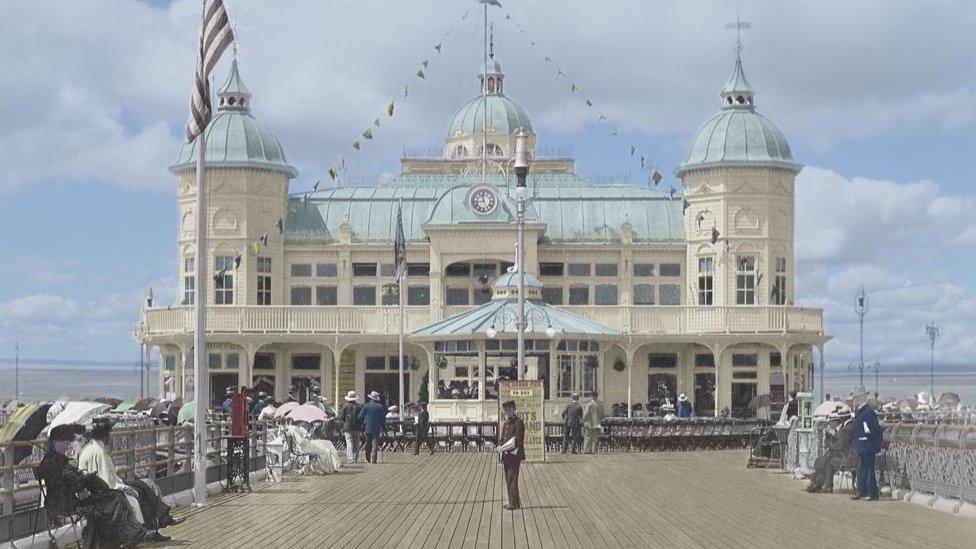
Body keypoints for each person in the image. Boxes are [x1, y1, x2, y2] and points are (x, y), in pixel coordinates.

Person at [37, 424, 146, 548]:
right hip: (63, 503)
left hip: (71, 499)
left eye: (69, 441)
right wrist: (81, 476)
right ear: (56, 441)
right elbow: (66, 480)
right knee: (113, 499)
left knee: (114, 496)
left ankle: (118, 538)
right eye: (66, 441)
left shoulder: (59, 459)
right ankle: (121, 537)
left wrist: (78, 474)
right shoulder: (51, 461)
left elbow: (71, 480)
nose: (69, 445)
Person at [79, 417, 180, 542]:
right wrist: (126, 488)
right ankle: (153, 528)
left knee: (148, 483)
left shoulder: (88, 449)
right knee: (139, 493)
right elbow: (106, 481)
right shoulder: (99, 452)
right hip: (107, 490)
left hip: (109, 485)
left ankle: (163, 518)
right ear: (106, 436)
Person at [806, 411, 857, 493]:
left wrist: (830, 446)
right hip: (847, 455)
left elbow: (840, 445)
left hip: (849, 458)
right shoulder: (848, 427)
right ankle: (818, 484)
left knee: (827, 462)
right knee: (823, 461)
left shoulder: (847, 428)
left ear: (843, 418)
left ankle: (822, 485)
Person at [851, 393, 883, 500]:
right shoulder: (860, 411)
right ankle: (863, 491)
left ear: (859, 399)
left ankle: (871, 493)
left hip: (868, 445)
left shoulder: (869, 412)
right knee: (862, 468)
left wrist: (870, 439)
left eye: (854, 399)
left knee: (869, 469)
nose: (853, 401)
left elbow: (874, 430)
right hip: (861, 444)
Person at [499, 400, 525, 510]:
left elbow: (518, 439)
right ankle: (512, 501)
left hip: (514, 455)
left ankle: (514, 503)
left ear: (514, 409)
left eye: (509, 410)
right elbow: (502, 438)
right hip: (506, 455)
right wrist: (500, 448)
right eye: (506, 411)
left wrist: (508, 448)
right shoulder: (506, 423)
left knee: (512, 478)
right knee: (508, 478)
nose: (507, 412)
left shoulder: (518, 422)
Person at [359, 391, 387, 464]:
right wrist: (383, 426)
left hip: (368, 427)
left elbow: (360, 416)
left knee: (368, 443)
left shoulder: (366, 406)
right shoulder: (380, 406)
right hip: (377, 427)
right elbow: (383, 418)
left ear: (371, 398)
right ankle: (374, 459)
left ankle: (367, 459)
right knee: (375, 443)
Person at [338, 391, 364, 464]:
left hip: (347, 427)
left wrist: (343, 425)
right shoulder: (359, 406)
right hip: (357, 427)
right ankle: (356, 458)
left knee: (349, 443)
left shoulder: (345, 406)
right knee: (356, 443)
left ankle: (350, 459)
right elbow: (361, 417)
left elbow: (341, 417)